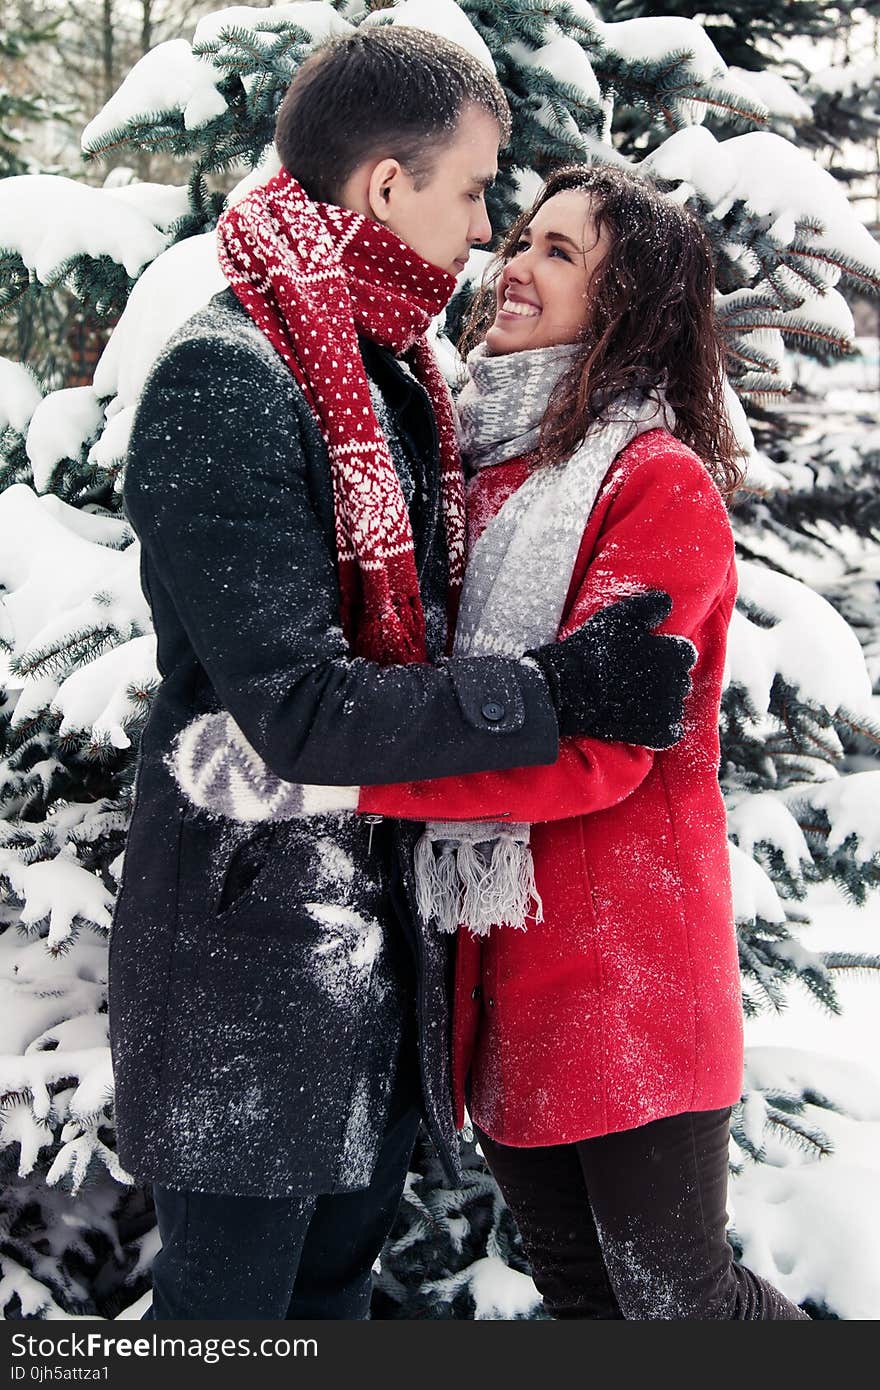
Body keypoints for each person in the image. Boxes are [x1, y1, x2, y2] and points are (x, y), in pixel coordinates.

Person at [111, 34, 695, 1320]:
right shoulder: (233, 379)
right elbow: (300, 710)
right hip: (252, 978)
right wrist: (552, 694)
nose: (487, 233)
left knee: (326, 1314)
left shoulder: (393, 376)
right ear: (386, 188)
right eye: (477, 191)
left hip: (377, 969)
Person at [357, 165, 810, 1320]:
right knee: (577, 1291)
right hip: (499, 969)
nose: (513, 263)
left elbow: (596, 743)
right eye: (522, 237)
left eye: (561, 254)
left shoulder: (653, 484)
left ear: (628, 308)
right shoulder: (471, 463)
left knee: (676, 1303)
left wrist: (345, 778)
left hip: (624, 974)